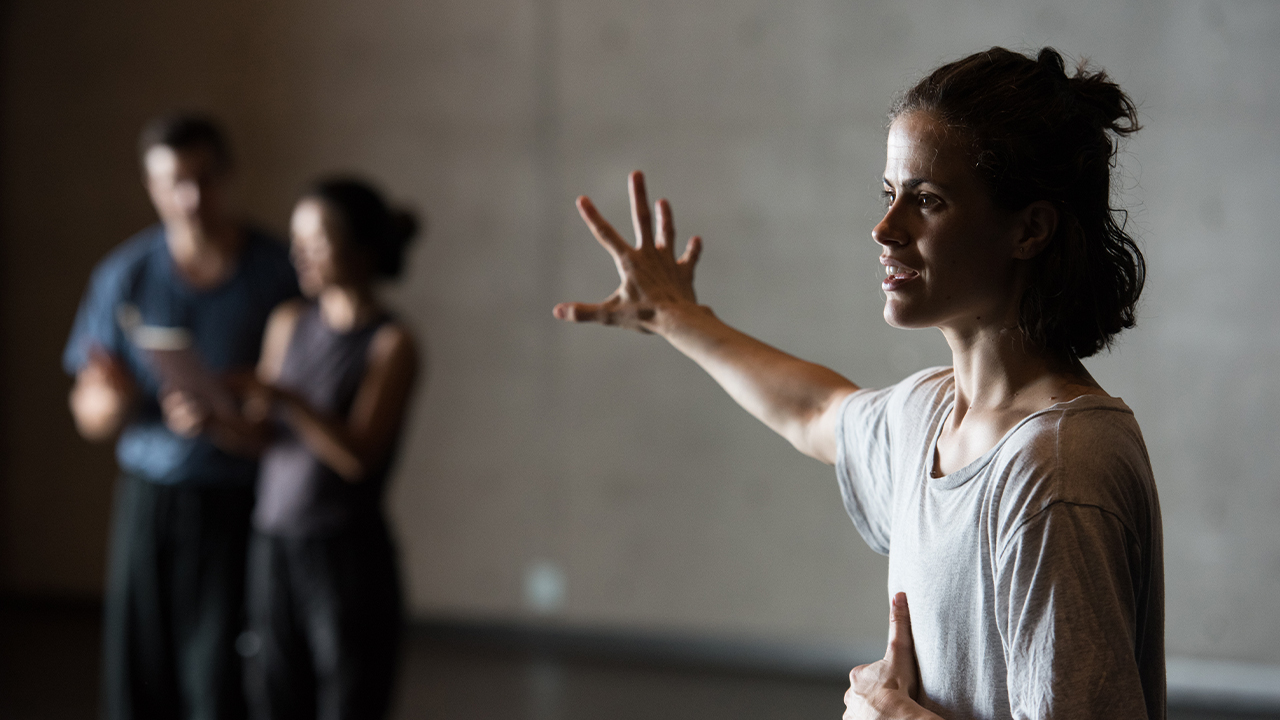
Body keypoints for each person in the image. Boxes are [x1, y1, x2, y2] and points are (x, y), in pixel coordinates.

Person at [553, 47, 1162, 720]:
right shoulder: (932, 416)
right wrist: (677, 317)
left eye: (927, 201)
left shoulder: (1055, 472)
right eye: (888, 194)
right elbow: (816, 411)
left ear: (1029, 229)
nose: (885, 228)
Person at [64, 114, 299, 719]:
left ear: (227, 177)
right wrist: (111, 401)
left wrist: (225, 417)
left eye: (204, 179)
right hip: (152, 496)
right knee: (141, 672)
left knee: (222, 679)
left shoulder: (275, 272)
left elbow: (295, 406)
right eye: (174, 182)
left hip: (238, 498)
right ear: (152, 186)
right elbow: (90, 412)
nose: (191, 198)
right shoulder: (126, 274)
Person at [240, 178, 419, 720]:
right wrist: (207, 415)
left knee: (350, 698)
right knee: (273, 697)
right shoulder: (288, 321)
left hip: (346, 555)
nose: (299, 254)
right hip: (273, 543)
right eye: (297, 240)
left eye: (315, 241)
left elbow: (359, 455)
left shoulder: (392, 343)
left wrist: (289, 399)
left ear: (360, 248)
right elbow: (261, 434)